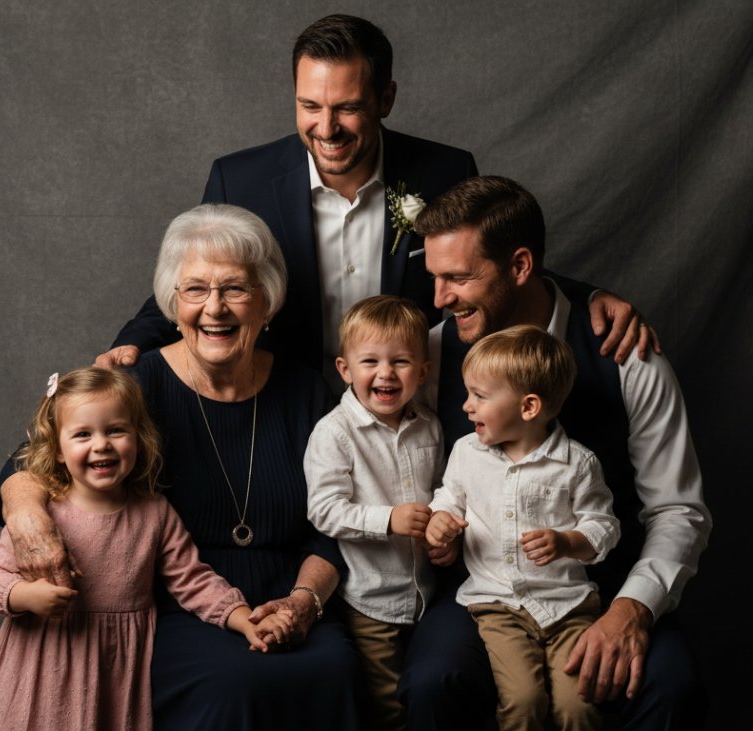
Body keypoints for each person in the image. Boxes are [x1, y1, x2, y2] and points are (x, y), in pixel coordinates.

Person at [97, 14, 655, 387]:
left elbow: (488, 268)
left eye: (347, 108)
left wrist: (589, 295)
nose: (326, 128)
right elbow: (192, 282)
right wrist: (128, 346)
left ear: (386, 99)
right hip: (281, 404)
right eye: (310, 106)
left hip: (411, 410)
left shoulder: (444, 170)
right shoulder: (238, 180)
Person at [0, 205, 361, 729]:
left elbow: (336, 524)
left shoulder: (306, 392)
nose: (215, 308)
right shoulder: (136, 384)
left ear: (267, 300)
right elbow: (33, 462)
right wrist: (27, 513)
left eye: (235, 288)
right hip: (176, 606)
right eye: (195, 290)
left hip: (292, 598)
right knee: (235, 685)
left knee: (336, 670)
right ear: (172, 302)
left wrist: (303, 602)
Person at [415, 176, 713, 729]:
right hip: (484, 591)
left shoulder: (629, 360)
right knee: (434, 683)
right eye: (434, 277)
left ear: (520, 266)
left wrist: (633, 608)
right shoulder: (431, 356)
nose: (439, 299)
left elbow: (677, 510)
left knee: (671, 686)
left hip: (603, 590)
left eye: (457, 278)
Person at [0, 367, 281, 730]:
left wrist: (243, 619)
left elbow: (193, 580)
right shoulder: (45, 515)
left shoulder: (154, 512)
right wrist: (24, 595)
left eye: (115, 430)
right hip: (45, 660)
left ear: (139, 438)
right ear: (57, 449)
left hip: (115, 669)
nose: (101, 444)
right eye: (83, 434)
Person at [426, 325, 620, 731]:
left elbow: (603, 526)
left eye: (479, 396)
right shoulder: (467, 453)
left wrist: (568, 541)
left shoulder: (578, 464)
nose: (466, 407)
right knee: (523, 701)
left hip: (567, 606)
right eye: (468, 394)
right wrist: (439, 520)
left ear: (529, 406)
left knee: (578, 706)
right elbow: (448, 496)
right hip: (497, 605)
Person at [303, 295, 444, 730]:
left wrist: (444, 522)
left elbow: (444, 489)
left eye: (400, 361)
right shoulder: (333, 434)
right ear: (345, 370)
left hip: (428, 595)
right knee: (387, 706)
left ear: (422, 371)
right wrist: (388, 519)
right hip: (370, 602)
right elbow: (324, 511)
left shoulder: (431, 426)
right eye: (370, 362)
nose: (385, 373)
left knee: (429, 691)